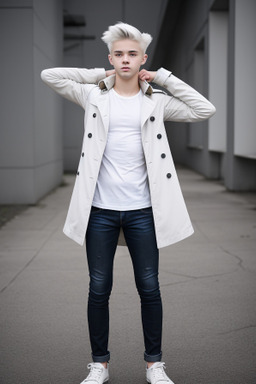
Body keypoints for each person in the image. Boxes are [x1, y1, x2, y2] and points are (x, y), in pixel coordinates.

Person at [41, 22, 216, 384]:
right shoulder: (94, 96)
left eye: (132, 54)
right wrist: (96, 76)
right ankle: (99, 365)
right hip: (100, 211)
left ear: (143, 60)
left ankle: (154, 364)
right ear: (111, 59)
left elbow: (204, 109)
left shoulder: (156, 101)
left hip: (143, 211)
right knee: (98, 287)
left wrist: (165, 77)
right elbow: (50, 75)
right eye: (118, 54)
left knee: (149, 287)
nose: (125, 59)